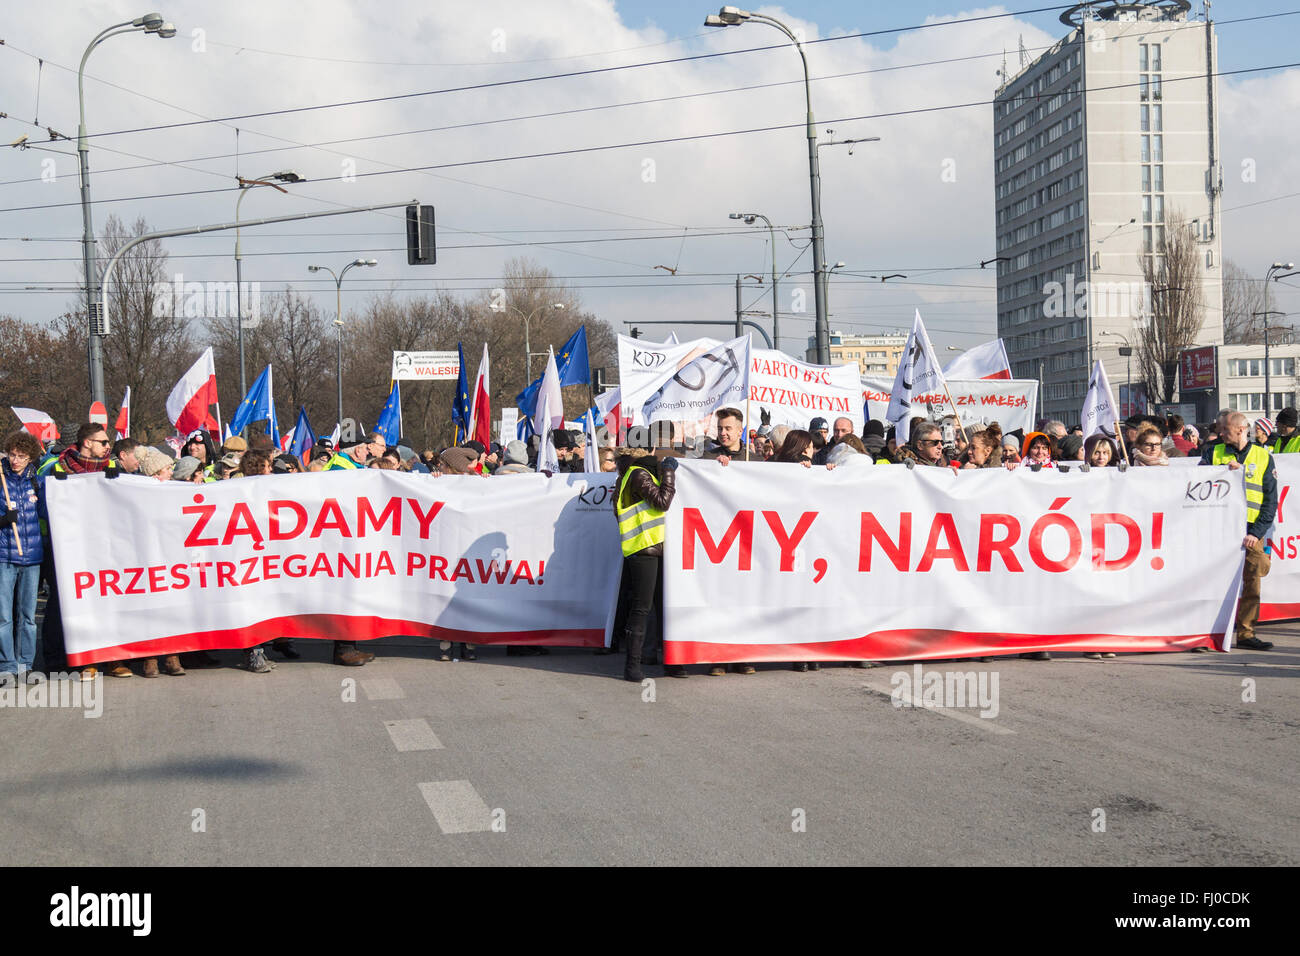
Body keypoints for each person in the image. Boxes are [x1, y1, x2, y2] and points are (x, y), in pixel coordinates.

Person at [35, 423, 122, 680]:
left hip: (102, 546)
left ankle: (106, 657)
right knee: (61, 602)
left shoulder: (111, 468)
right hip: (64, 546)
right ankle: (56, 659)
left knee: (106, 598)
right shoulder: (56, 468)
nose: (108, 447)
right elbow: (41, 507)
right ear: (87, 443)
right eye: (103, 442)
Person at [1204, 412, 1277, 651]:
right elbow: (1196, 485)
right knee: (1214, 583)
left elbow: (1269, 501)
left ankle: (1246, 633)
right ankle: (1208, 632)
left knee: (1253, 582)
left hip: (1250, 532)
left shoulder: (1263, 456)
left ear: (1240, 429)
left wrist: (1256, 533)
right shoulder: (1212, 453)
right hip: (1219, 531)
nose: (1220, 433)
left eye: (1225, 429)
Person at [614, 448, 677, 682]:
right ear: (649, 449)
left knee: (650, 606)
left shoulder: (633, 472)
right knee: (642, 608)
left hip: (648, 547)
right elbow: (663, 501)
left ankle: (645, 662)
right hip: (645, 547)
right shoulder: (639, 473)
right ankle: (632, 666)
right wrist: (669, 472)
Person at [323, 435, 383, 667]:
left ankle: (350, 645)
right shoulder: (341, 469)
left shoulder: (351, 467)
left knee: (352, 594)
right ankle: (344, 649)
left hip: (348, 539)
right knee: (345, 595)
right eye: (366, 448)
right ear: (356, 450)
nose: (368, 452)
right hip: (342, 541)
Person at [0, 430, 45, 682]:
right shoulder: (0, 479)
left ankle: (25, 664)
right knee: (4, 616)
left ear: (30, 458)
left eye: (22, 456)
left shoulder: (36, 480)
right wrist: (3, 521)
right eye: (13, 455)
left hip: (32, 558)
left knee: (28, 616)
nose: (16, 460)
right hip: (4, 556)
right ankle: (6, 665)